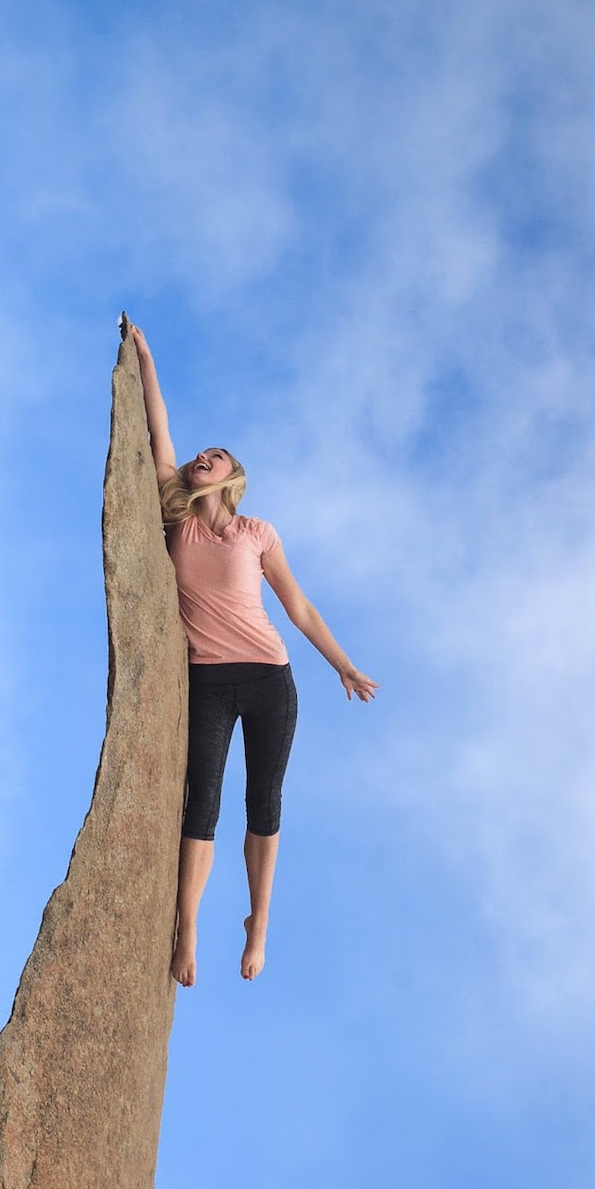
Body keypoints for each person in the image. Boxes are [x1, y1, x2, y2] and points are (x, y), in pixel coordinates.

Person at [130, 323, 378, 987]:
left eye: (217, 455)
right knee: (201, 803)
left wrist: (342, 664)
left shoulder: (257, 533)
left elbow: (299, 607)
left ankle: (257, 923)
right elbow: (159, 433)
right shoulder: (179, 519)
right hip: (207, 678)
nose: (202, 457)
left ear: (233, 477)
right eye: (200, 453)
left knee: (263, 802)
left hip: (270, 676)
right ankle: (187, 930)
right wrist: (149, 360)